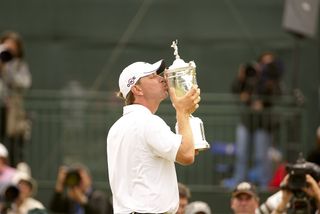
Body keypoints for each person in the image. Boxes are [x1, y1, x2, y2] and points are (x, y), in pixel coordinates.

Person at [106, 59, 201, 213]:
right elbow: (186, 155)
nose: (162, 78)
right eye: (152, 76)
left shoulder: (117, 127)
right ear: (137, 89)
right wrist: (182, 111)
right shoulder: (148, 122)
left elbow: (186, 150)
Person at [224, 52, 283, 188]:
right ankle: (239, 182)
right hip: (247, 122)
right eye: (263, 63)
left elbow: (276, 95)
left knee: (261, 156)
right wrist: (241, 77)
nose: (265, 67)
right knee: (241, 154)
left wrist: (263, 103)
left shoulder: (272, 80)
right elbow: (236, 90)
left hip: (263, 124)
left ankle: (263, 185)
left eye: (269, 64)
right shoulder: (251, 77)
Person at [0, 31, 32, 167]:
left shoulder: (19, 65)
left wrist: (7, 68)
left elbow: (25, 83)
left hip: (12, 113)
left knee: (13, 146)